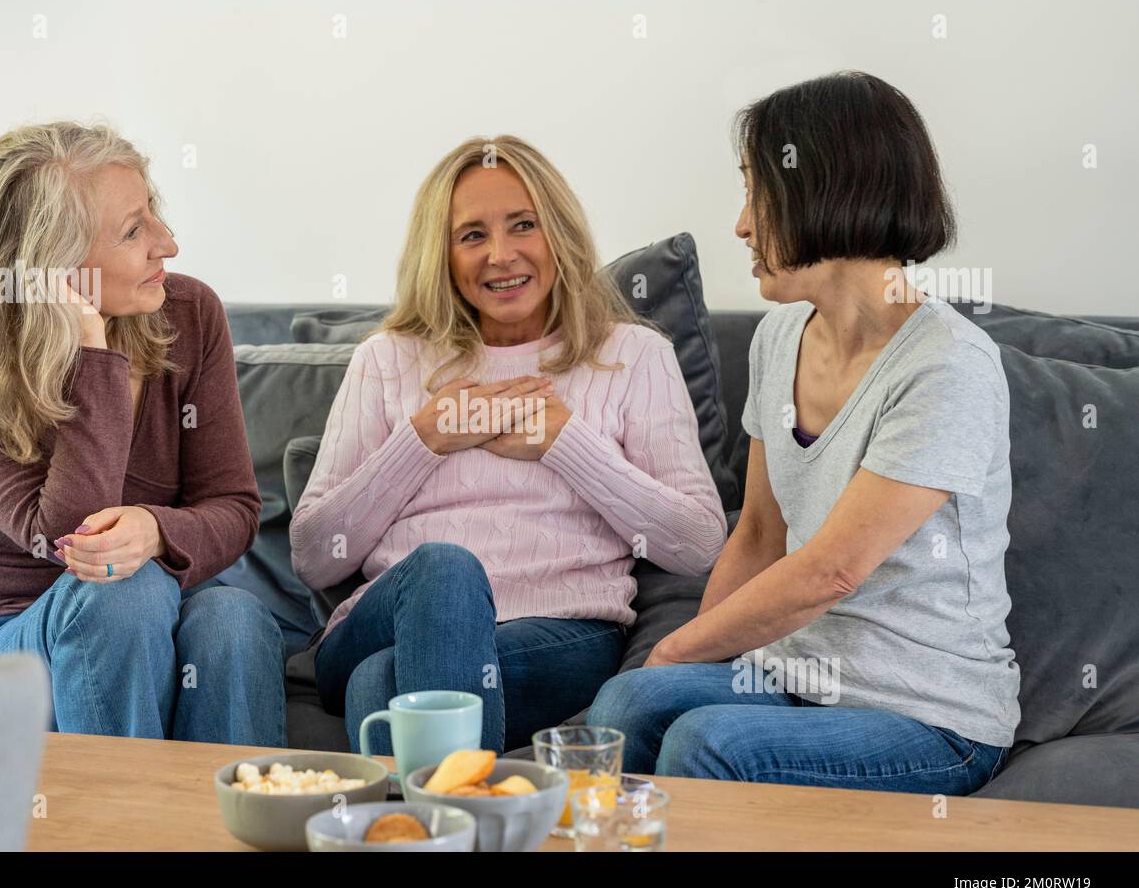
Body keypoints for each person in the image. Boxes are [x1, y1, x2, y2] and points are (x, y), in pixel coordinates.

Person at [588, 72, 1019, 794]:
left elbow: (832, 570)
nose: (742, 224)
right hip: (793, 676)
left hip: (929, 716)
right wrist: (687, 664)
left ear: (827, 187)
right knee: (628, 702)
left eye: (757, 190)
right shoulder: (780, 335)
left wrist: (675, 653)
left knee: (708, 743)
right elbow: (758, 534)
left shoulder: (949, 366)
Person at [291, 135, 727, 754]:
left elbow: (699, 544)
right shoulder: (385, 361)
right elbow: (316, 555)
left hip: (557, 633)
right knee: (444, 570)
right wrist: (426, 437)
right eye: (472, 235)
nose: (500, 255)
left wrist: (564, 442)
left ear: (560, 234)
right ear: (439, 254)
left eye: (523, 225)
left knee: (381, 685)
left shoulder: (634, 355)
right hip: (384, 620)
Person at [0, 121, 286, 745]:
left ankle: (232, 833)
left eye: (153, 216)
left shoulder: (191, 313)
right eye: (133, 231)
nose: (168, 245)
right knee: (121, 591)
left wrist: (155, 530)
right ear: (53, 267)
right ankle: (123, 833)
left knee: (234, 618)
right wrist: (95, 356)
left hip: (161, 611)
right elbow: (64, 538)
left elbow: (234, 507)